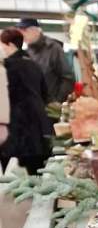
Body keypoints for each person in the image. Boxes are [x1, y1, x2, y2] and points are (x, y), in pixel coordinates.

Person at [0, 28, 52, 174]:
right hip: (39, 128)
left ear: (10, 45)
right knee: (37, 173)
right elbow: (45, 94)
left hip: (17, 129)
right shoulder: (34, 65)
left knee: (12, 177)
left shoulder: (6, 67)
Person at [18, 18, 75, 103]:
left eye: (25, 31)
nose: (22, 35)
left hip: (50, 107)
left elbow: (67, 78)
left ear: (36, 31)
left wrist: (57, 101)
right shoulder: (27, 52)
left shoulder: (53, 48)